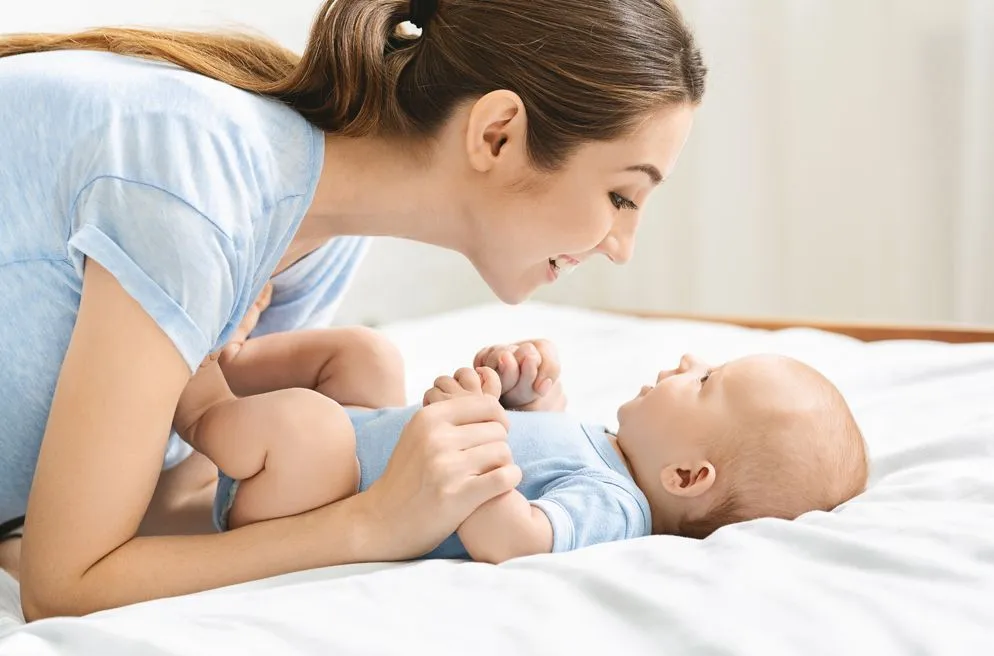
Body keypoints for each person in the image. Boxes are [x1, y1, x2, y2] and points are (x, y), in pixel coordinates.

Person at [0, 0, 706, 619]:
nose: (621, 247)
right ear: (497, 134)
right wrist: (373, 522)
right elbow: (64, 585)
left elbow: (194, 485)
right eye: (622, 196)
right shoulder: (200, 184)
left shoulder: (318, 235)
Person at [188, 332, 869, 560]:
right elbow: (538, 456)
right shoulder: (607, 449)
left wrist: (468, 426)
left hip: (321, 493)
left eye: (707, 381)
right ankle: (235, 353)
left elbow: (513, 539)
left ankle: (193, 393)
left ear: (687, 475)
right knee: (368, 354)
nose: (689, 361)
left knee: (306, 425)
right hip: (361, 441)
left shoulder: (618, 507)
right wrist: (522, 397)